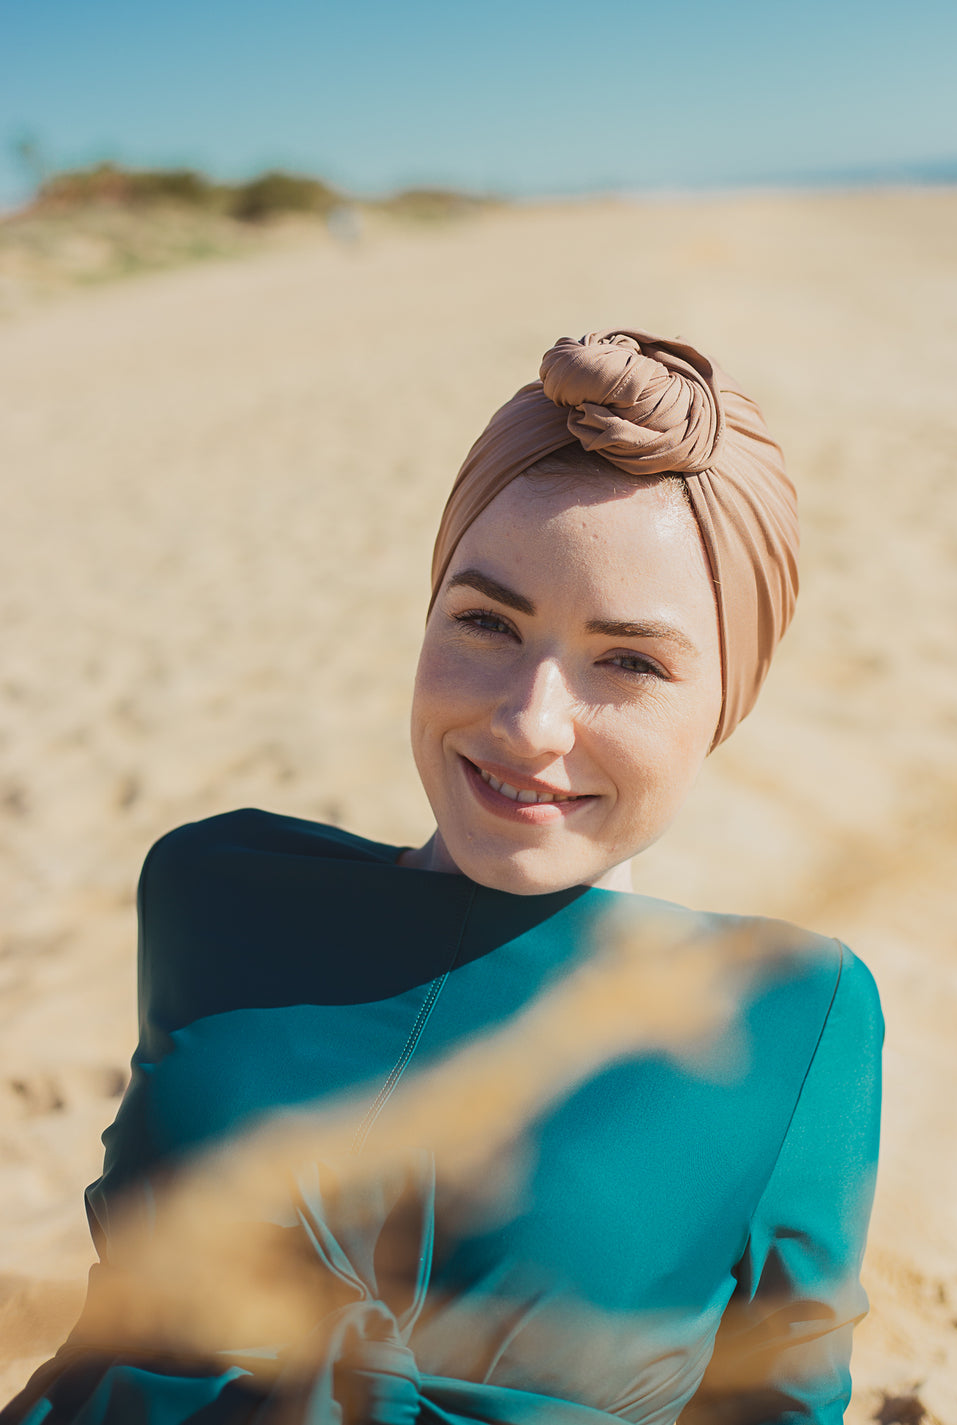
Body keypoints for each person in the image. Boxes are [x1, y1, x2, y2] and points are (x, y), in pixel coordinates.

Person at [2, 330, 883, 1425]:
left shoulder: (795, 1015)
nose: (528, 723)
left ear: (725, 706)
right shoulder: (215, 888)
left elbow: (787, 1398)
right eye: (485, 622)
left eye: (630, 661)